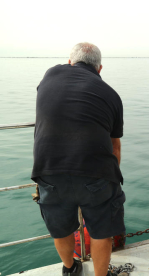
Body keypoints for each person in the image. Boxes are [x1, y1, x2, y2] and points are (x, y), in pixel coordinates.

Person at [32, 42, 126, 276]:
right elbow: (115, 146)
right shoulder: (112, 95)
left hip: (49, 170)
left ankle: (69, 269)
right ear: (100, 68)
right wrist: (110, 181)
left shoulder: (50, 74)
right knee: (101, 231)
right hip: (96, 173)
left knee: (61, 228)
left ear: (69, 61)